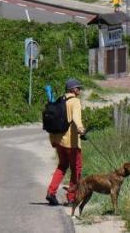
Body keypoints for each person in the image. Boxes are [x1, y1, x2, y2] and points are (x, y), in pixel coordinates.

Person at [45, 78, 87, 206]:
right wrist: (82, 130)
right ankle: (72, 197)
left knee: (62, 166)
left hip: (58, 141)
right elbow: (76, 118)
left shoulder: (60, 100)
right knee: (76, 169)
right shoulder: (75, 101)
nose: (80, 90)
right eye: (78, 88)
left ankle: (51, 192)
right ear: (73, 89)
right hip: (71, 142)